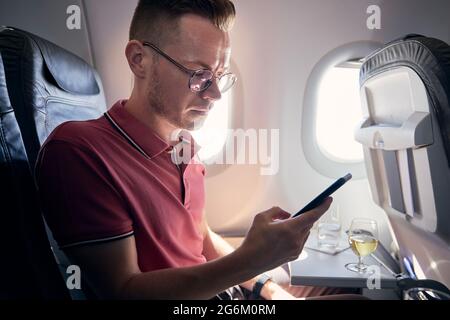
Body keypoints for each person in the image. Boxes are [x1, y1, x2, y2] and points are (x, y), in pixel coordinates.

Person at [35, 0, 359, 300]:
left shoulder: (184, 146)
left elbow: (202, 236)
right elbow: (125, 291)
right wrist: (251, 260)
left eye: (220, 75)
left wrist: (266, 287)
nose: (216, 93)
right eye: (200, 75)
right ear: (139, 60)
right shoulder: (78, 152)